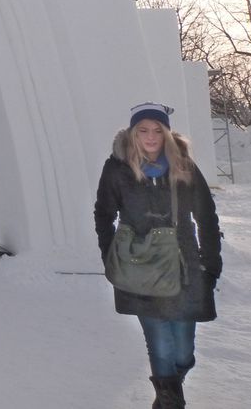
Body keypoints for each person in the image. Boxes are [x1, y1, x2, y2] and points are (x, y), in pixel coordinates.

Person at [94, 103, 222, 409]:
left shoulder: (184, 166)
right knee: (161, 347)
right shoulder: (117, 168)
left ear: (165, 133)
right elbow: (103, 214)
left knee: (183, 351)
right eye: (143, 130)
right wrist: (111, 256)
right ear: (133, 133)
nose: (150, 137)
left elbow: (206, 215)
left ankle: (168, 392)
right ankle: (169, 403)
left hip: (184, 269)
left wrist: (211, 263)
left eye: (157, 130)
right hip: (139, 269)